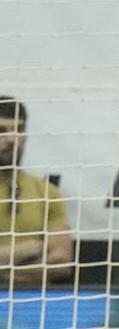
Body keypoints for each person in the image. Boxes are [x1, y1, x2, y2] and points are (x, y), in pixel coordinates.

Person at [0, 96, 72, 287]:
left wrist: (4, 272)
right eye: (1, 131)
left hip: (31, 305)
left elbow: (61, 262)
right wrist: (29, 249)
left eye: (18, 130)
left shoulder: (46, 192)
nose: (11, 139)